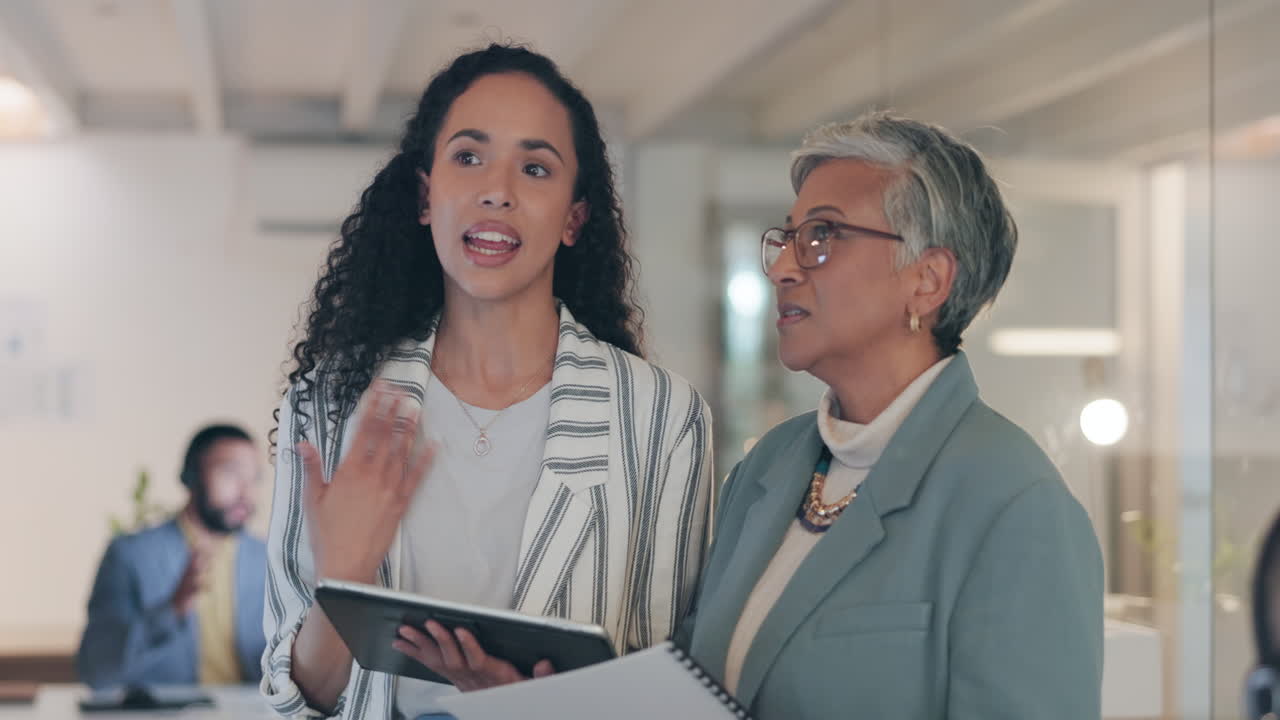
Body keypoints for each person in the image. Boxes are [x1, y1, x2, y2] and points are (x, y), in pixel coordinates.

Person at [261, 44, 713, 720]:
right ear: (424, 195)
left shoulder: (661, 418)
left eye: (535, 168)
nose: (497, 189)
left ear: (573, 218)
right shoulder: (328, 404)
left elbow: (674, 692)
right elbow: (293, 705)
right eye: (468, 157)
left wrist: (530, 708)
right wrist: (343, 581)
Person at [676, 112, 1104, 719]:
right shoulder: (768, 466)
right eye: (789, 236)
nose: (782, 267)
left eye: (822, 235)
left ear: (927, 281)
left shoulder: (1015, 505)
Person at [78, 424, 266, 689]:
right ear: (191, 477)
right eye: (230, 473)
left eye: (255, 478)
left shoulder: (270, 560)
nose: (246, 493)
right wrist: (173, 609)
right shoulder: (130, 555)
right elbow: (98, 673)